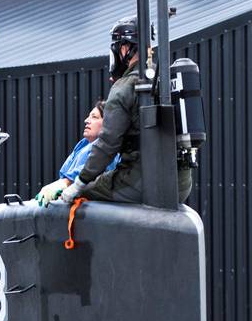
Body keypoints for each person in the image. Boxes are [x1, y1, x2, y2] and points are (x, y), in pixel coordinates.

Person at [38, 16, 191, 207]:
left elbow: (107, 144)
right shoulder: (164, 81)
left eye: (119, 47)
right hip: (181, 184)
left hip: (141, 183)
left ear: (126, 48)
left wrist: (78, 185)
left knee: (84, 193)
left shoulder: (124, 87)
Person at [37, 102, 118, 202]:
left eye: (94, 117)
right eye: (88, 117)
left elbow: (96, 167)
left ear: (108, 123)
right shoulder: (82, 145)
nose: (86, 121)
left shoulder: (111, 149)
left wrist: (66, 182)